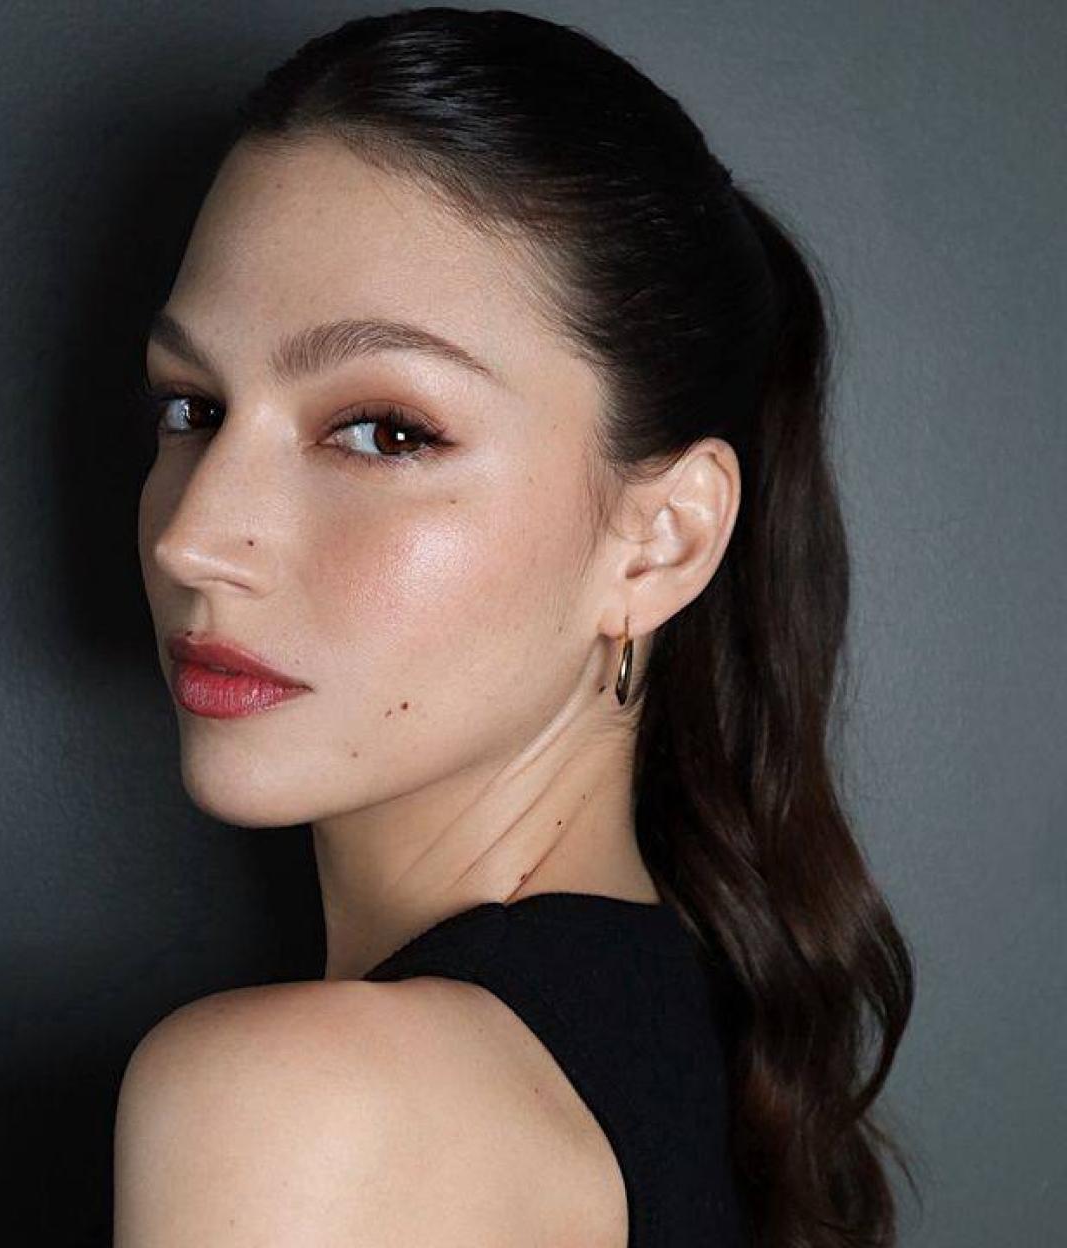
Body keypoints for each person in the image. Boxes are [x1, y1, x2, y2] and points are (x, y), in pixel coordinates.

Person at [113, 7, 919, 1246]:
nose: (193, 538)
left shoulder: (306, 1108)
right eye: (192, 408)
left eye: (385, 431)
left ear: (661, 542)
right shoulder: (691, 1051)